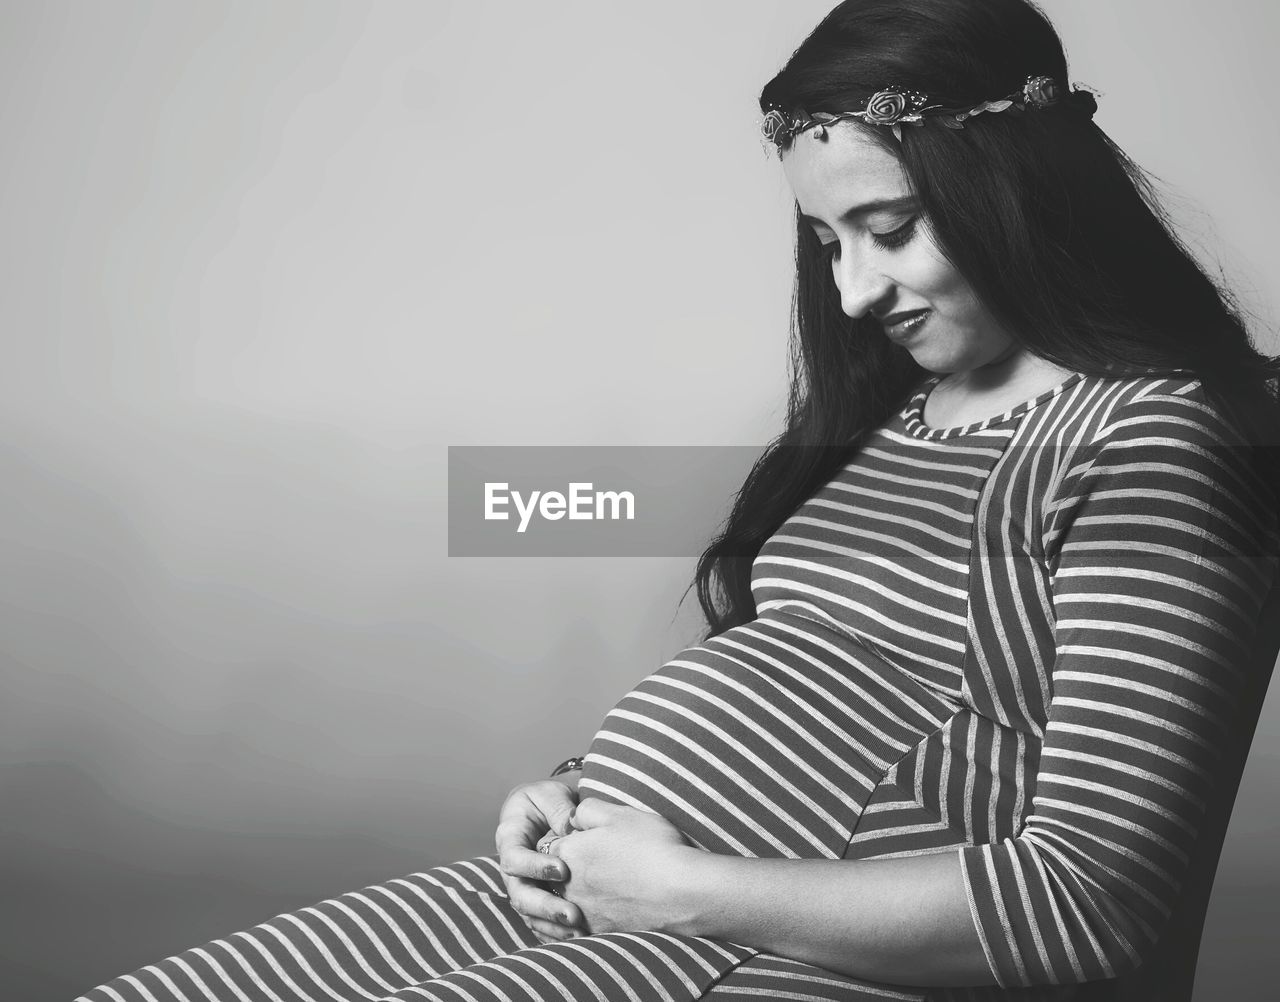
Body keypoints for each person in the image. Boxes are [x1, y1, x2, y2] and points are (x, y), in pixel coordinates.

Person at [79, 0, 1280, 1000]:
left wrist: (680, 888)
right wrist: (579, 795)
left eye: (890, 229)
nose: (853, 291)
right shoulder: (889, 419)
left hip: (757, 954)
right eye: (824, 241)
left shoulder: (1145, 437)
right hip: (618, 905)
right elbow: (818, 682)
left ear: (1017, 192)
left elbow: (1094, 902)